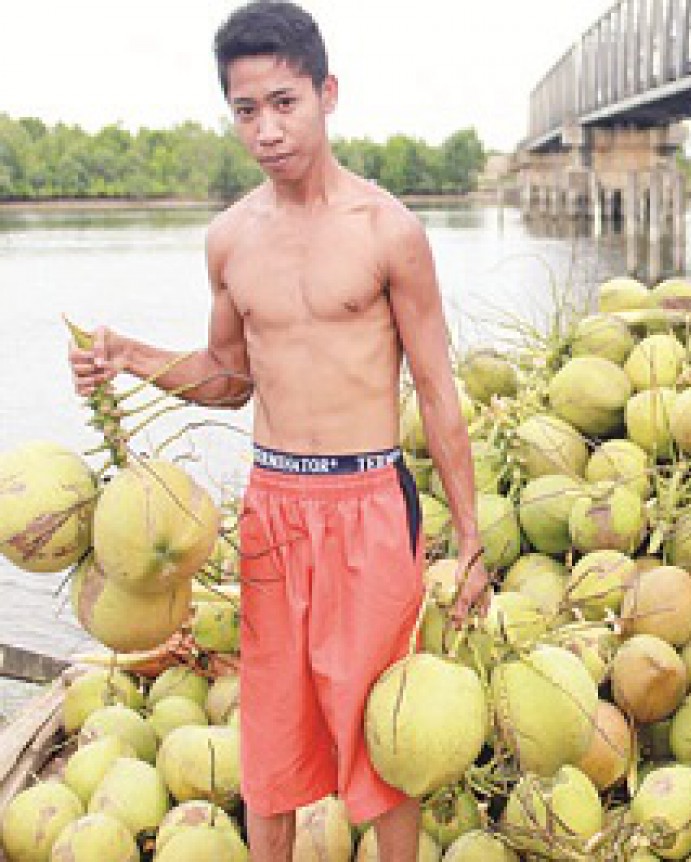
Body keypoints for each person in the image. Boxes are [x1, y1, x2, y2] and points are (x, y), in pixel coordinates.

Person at [67, 2, 489, 859]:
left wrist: (471, 534)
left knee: (383, 735)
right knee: (271, 737)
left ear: (328, 94)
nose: (267, 129)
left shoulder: (389, 232)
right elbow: (229, 380)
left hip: (369, 504)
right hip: (272, 508)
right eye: (246, 110)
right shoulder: (230, 239)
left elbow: (439, 394)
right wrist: (128, 355)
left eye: (285, 102)